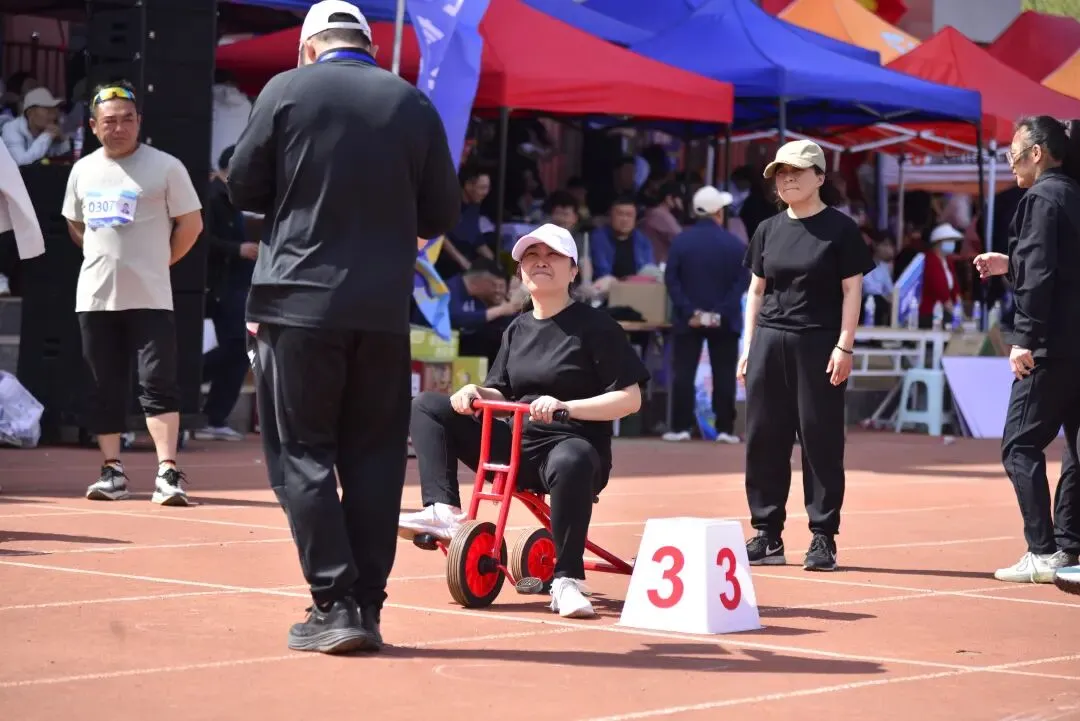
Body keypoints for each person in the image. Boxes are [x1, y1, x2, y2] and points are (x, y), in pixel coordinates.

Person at [226, 0, 461, 654]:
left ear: (309, 47)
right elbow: (442, 210)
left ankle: (334, 601)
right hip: (381, 310)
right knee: (376, 456)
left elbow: (241, 187)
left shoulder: (286, 91)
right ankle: (368, 605)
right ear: (368, 44)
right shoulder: (410, 101)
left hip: (297, 303)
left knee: (301, 453)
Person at [399, 223, 650, 619]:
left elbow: (630, 399)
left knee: (571, 459)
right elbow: (501, 392)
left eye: (552, 256)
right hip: (516, 443)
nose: (540, 262)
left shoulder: (597, 327)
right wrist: (476, 392)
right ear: (520, 272)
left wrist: (566, 406)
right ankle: (443, 511)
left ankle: (567, 580)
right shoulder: (517, 327)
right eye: (531, 256)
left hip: (572, 446)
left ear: (573, 270)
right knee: (428, 405)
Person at [61, 81, 203, 505]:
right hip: (95, 297)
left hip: (151, 297)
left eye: (127, 119)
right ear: (93, 126)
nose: (119, 128)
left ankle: (167, 471)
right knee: (102, 385)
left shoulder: (166, 166)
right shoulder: (82, 170)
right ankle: (112, 470)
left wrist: (161, 262)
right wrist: (102, 256)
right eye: (109, 121)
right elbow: (75, 224)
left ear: (139, 122)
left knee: (157, 383)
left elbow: (191, 225)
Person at [738, 139, 875, 572]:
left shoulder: (841, 229)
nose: (787, 179)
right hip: (769, 341)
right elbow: (756, 291)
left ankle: (823, 536)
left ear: (819, 177)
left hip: (819, 344)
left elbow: (852, 289)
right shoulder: (767, 229)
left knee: (820, 439)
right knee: (764, 439)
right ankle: (767, 534)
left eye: (796, 172)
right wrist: (748, 346)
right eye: (781, 173)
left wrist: (845, 344)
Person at [972, 116, 1080, 584]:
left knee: (1019, 445)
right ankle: (1070, 546)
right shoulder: (1073, 195)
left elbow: (1040, 276)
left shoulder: (1040, 198)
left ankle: (1042, 550)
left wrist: (1024, 338)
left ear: (1037, 153)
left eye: (1013, 152)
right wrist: (1010, 263)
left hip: (1050, 346)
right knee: (1075, 448)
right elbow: (1056, 266)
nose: (1010, 161)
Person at [662, 186, 749, 444]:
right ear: (718, 212)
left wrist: (690, 310)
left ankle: (681, 427)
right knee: (724, 373)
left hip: (687, 318)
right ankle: (725, 428)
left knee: (684, 372)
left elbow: (671, 279)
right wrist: (720, 311)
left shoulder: (681, 242)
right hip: (726, 319)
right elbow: (742, 281)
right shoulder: (735, 244)